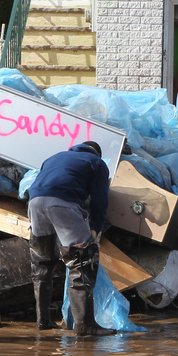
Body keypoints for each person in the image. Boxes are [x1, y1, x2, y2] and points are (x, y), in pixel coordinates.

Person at [27, 141, 113, 336]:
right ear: (97, 153)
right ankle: (85, 326)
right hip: (63, 203)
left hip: (35, 203)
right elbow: (100, 200)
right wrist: (95, 229)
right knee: (81, 262)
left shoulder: (53, 158)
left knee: (42, 264)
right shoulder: (96, 163)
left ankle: (43, 322)